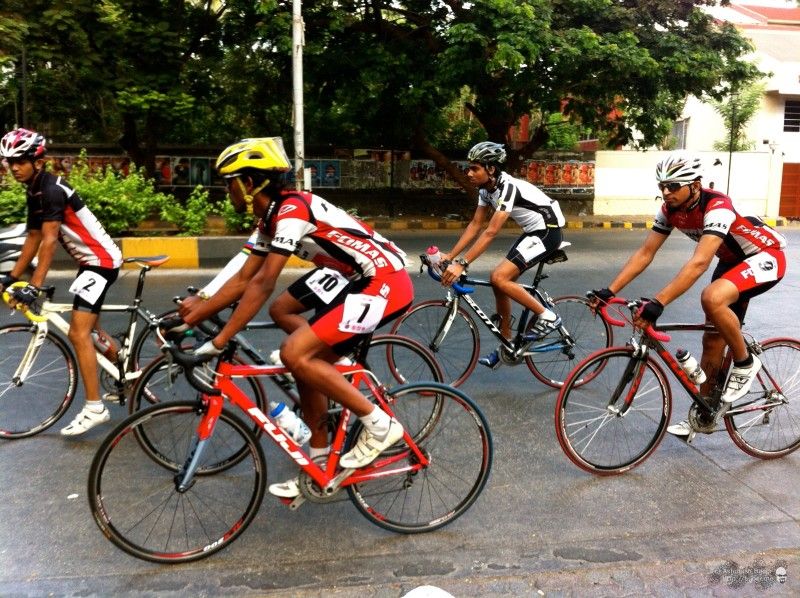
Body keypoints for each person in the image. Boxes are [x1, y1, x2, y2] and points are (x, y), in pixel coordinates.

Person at [181, 137, 413, 497]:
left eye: (229, 183)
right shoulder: (269, 220)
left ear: (248, 182)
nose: (226, 192)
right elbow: (242, 278)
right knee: (302, 361)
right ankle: (319, 465)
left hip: (385, 280)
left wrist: (220, 340)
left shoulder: (291, 210)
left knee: (294, 353)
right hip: (352, 279)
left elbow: (262, 283)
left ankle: (380, 425)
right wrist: (191, 319)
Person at [591, 150, 787, 439]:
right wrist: (610, 290)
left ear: (695, 185)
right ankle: (704, 414)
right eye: (662, 186)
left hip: (764, 256)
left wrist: (658, 303)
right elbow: (646, 253)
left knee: (711, 297)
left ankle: (745, 363)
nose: (666, 192)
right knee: (711, 340)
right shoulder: (669, 210)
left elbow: (698, 263)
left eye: (673, 186)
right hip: (732, 262)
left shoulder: (717, 206)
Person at [0, 128, 123, 436]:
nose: (13, 167)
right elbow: (33, 237)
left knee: (77, 332)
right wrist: (13, 277)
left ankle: (95, 407)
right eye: (9, 161)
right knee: (90, 331)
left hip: (101, 262)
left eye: (20, 160)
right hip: (90, 262)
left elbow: (50, 240)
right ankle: (125, 369)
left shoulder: (52, 190)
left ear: (37, 162)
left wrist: (34, 285)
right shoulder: (34, 189)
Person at [439, 141, 566, 368]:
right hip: (532, 232)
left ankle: (548, 316)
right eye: (469, 168)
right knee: (497, 281)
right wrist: (450, 255)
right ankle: (506, 344)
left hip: (548, 231)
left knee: (499, 277)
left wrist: (461, 263)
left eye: (474, 168)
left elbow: (491, 232)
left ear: (490, 169)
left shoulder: (508, 187)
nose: (469, 173)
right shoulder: (486, 190)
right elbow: (476, 224)